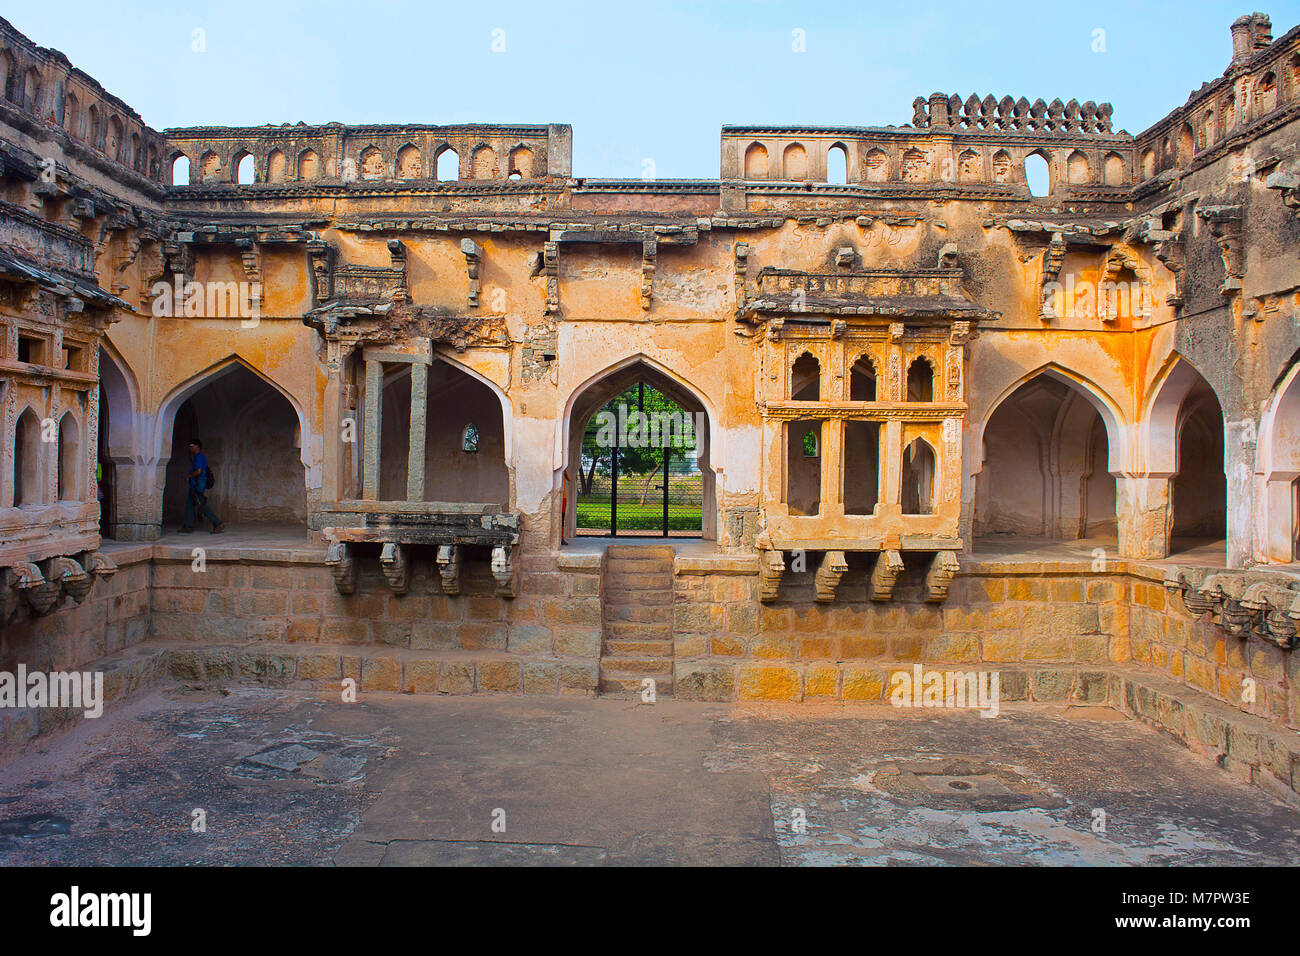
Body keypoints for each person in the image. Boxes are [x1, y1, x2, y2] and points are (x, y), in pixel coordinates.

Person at [181, 438, 224, 534]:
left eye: (191, 446)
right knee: (190, 505)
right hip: (195, 484)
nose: (190, 448)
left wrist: (189, 476)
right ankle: (188, 525)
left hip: (197, 485)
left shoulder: (199, 457)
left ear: (197, 446)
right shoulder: (199, 457)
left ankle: (217, 523)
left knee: (201, 505)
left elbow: (199, 471)